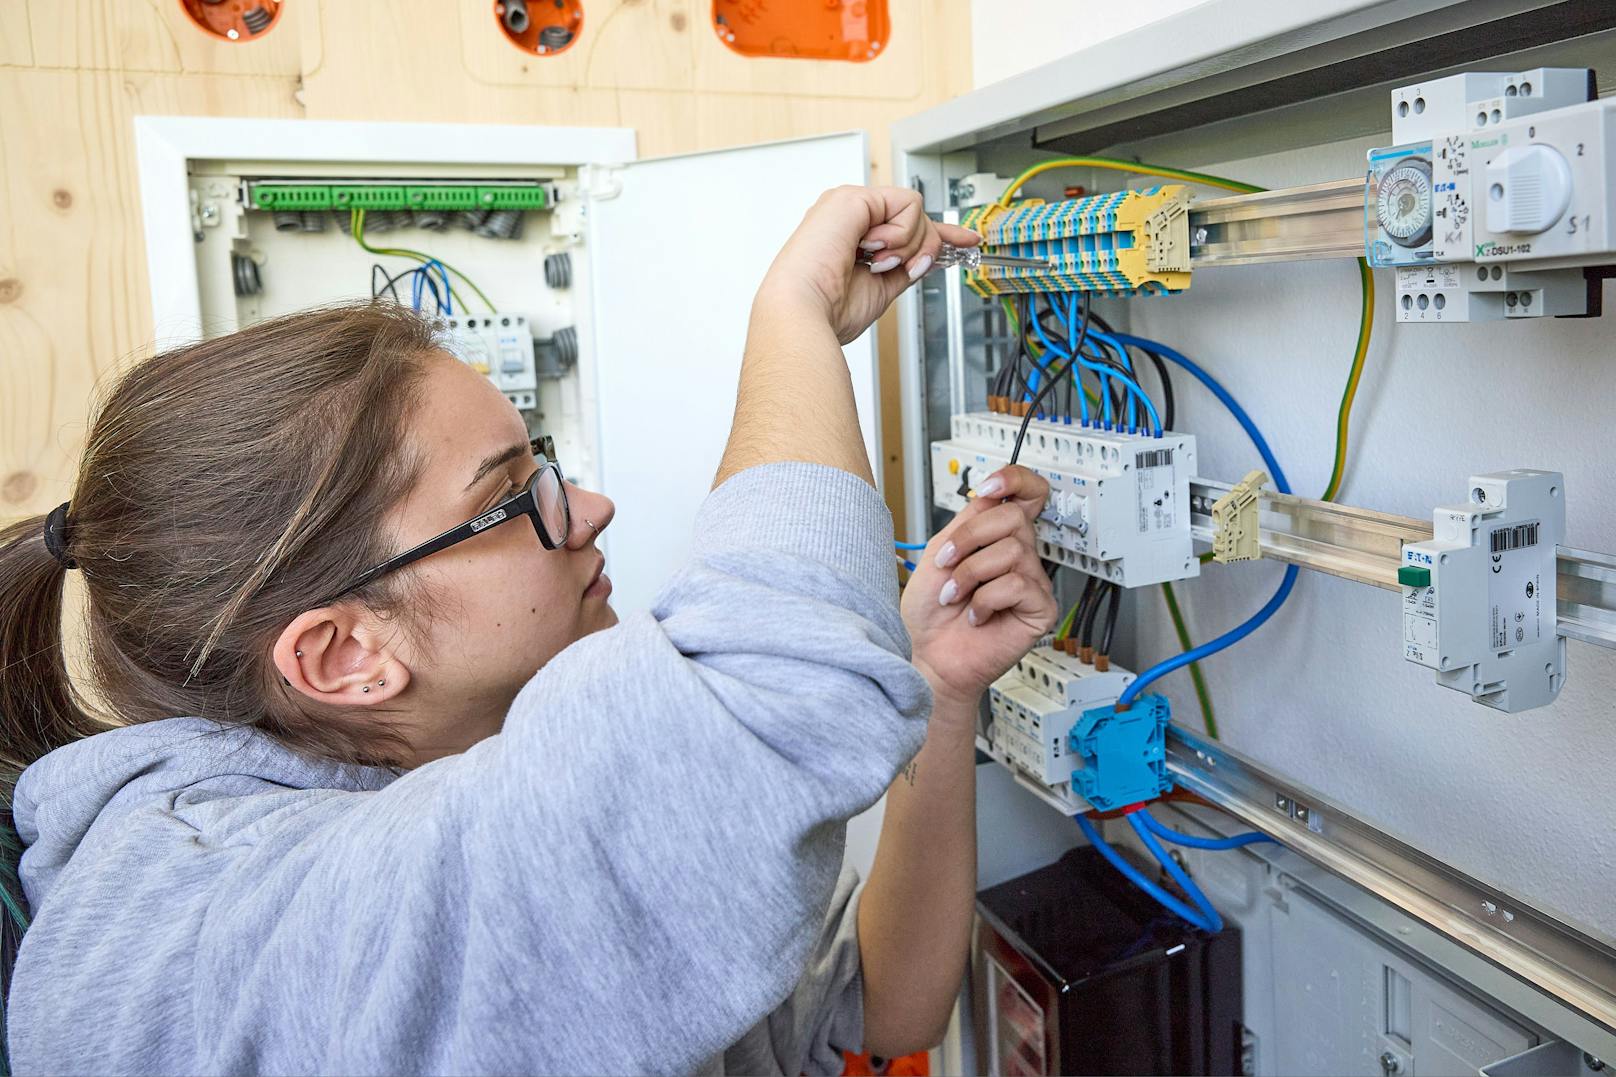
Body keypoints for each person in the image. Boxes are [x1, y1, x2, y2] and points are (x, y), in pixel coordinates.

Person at [0, 186, 1055, 1074]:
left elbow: (869, 1007)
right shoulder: (205, 942)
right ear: (344, 654)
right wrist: (793, 316)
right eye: (514, 497)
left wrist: (935, 684)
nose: (587, 510)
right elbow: (770, 683)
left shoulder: (434, 772)